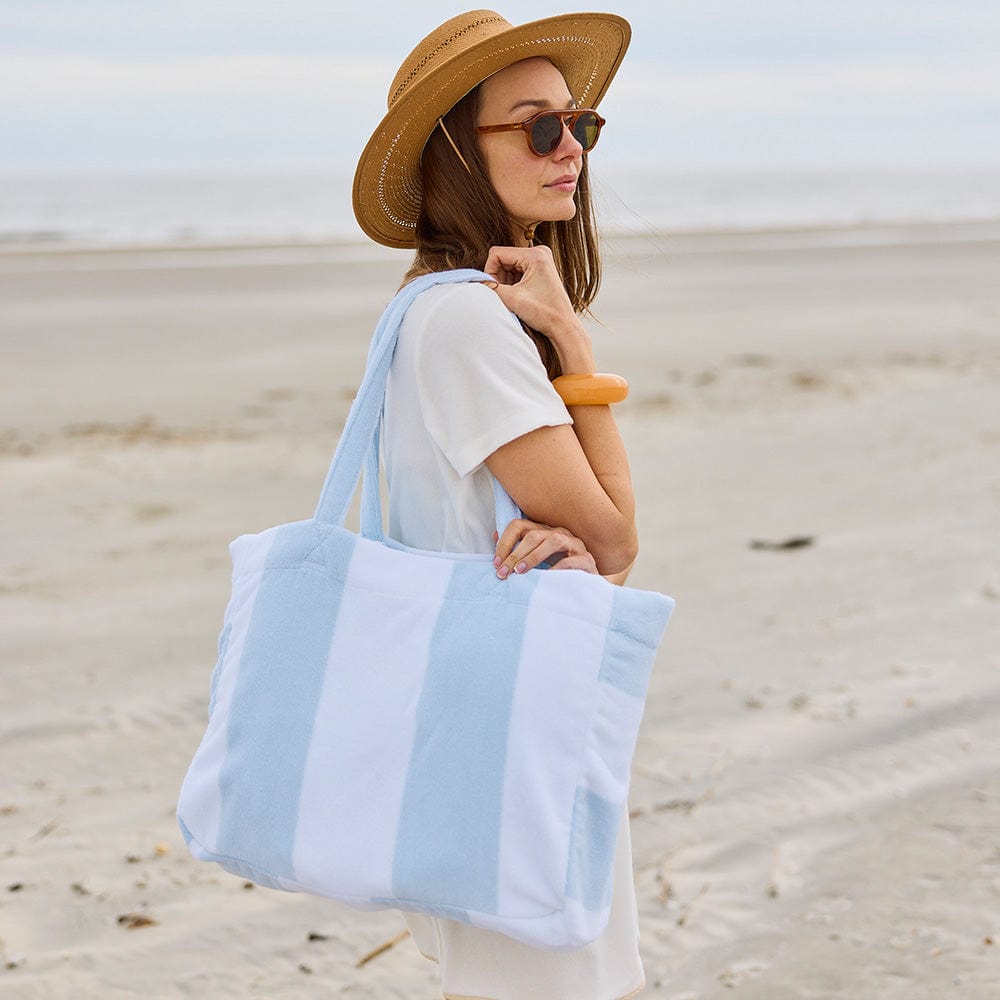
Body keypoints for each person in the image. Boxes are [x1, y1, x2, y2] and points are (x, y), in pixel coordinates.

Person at [352, 10, 643, 1000]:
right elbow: (611, 539)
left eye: (580, 126)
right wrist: (577, 350)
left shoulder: (430, 309)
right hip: (510, 732)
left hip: (478, 718)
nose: (571, 151)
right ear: (456, 155)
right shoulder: (472, 322)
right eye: (535, 126)